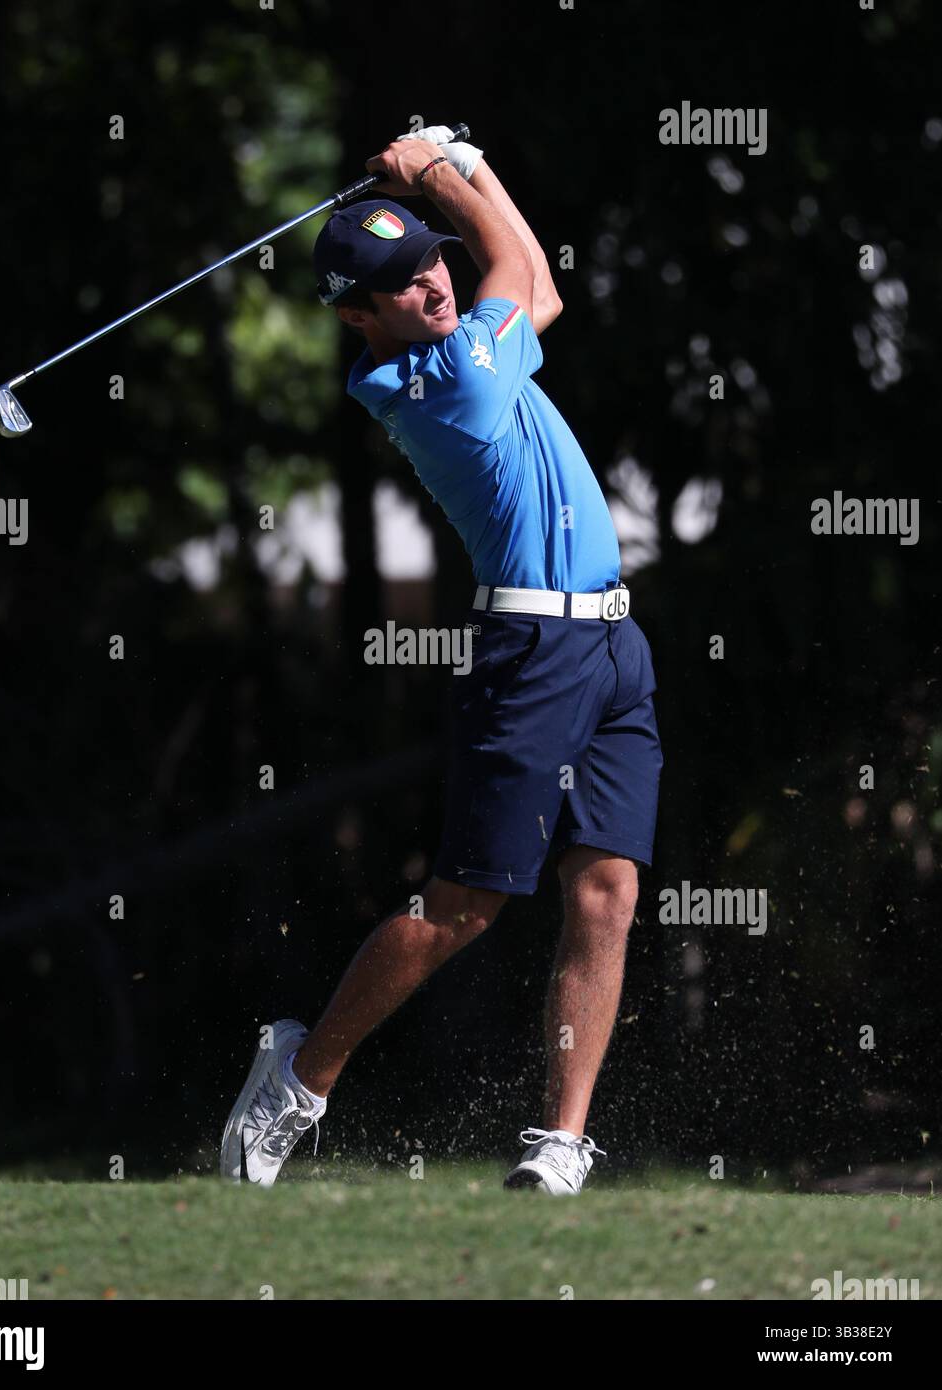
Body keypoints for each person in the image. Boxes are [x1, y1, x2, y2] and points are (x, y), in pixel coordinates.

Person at [221, 127, 663, 1196]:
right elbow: (512, 260)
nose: (426, 281)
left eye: (425, 258)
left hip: (612, 643)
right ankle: (299, 1078)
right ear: (354, 317)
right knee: (463, 905)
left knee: (605, 890)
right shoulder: (435, 382)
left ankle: (558, 1143)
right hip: (532, 648)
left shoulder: (480, 340)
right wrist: (449, 171)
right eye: (394, 280)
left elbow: (533, 284)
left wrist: (449, 176)